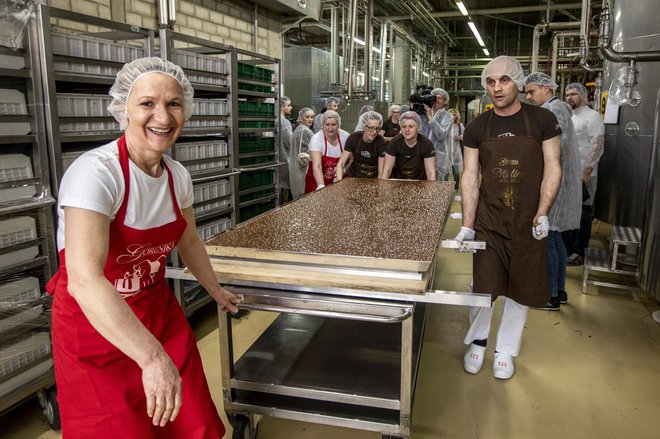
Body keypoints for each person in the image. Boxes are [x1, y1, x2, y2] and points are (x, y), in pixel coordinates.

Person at [45, 57, 240, 437]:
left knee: (193, 423)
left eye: (174, 104)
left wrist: (215, 290)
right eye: (147, 103)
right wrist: (151, 358)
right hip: (96, 329)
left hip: (158, 315)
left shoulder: (177, 175)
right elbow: (84, 281)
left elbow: (188, 239)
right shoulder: (96, 173)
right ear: (123, 109)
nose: (163, 117)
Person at [455, 56, 562, 380]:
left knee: (521, 287)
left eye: (504, 80)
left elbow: (553, 166)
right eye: (490, 82)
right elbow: (471, 176)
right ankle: (479, 339)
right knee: (483, 286)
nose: (496, 88)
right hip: (490, 219)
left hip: (528, 221)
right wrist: (467, 226)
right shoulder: (477, 127)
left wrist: (543, 213)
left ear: (518, 82)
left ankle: (505, 349)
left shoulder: (542, 121)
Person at [525, 72, 582, 310]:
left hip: (553, 181)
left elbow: (551, 148)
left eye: (531, 91)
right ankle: (559, 290)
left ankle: (550, 296)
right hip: (559, 180)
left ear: (546, 89)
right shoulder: (556, 108)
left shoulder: (552, 111)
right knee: (556, 237)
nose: (528, 97)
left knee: (546, 238)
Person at [563, 82, 605, 266]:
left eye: (573, 94)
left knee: (583, 212)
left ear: (582, 95)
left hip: (584, 173)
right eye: (567, 94)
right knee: (569, 212)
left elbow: (597, 146)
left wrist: (587, 172)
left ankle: (579, 251)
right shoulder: (569, 116)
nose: (569, 97)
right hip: (569, 173)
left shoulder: (592, 116)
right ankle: (568, 248)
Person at [380, 110, 436, 181]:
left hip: (420, 183)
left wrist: (430, 191)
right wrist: (383, 190)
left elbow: (431, 173)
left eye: (411, 126)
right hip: (398, 183)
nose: (407, 129)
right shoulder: (394, 142)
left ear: (418, 127)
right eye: (404, 127)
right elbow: (386, 171)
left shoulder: (426, 144)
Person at [305, 109, 350, 193]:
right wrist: (321, 186)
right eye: (327, 125)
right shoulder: (316, 139)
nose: (330, 128)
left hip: (338, 180)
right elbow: (317, 166)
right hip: (317, 180)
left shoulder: (346, 137)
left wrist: (344, 170)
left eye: (333, 124)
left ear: (339, 124)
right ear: (322, 125)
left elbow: (351, 160)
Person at [337, 111, 387, 180]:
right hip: (355, 178)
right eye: (371, 128)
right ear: (364, 126)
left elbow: (381, 171)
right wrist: (339, 181)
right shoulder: (353, 138)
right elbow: (341, 164)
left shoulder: (380, 141)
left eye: (377, 128)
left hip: (374, 179)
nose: (374, 132)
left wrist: (378, 186)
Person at [425, 87, 454, 181]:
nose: (437, 101)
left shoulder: (448, 117)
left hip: (439, 156)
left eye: (440, 98)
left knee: (438, 186)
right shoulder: (423, 113)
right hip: (422, 154)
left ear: (445, 101)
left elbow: (441, 135)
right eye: (435, 98)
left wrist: (430, 118)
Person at [289, 107, 314, 200]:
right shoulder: (305, 131)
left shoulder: (299, 129)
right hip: (304, 168)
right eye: (307, 117)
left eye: (312, 117)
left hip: (298, 168)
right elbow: (312, 151)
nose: (310, 119)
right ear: (301, 118)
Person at [279, 96, 293, 203]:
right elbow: (290, 142)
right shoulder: (284, 122)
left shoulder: (273, 119)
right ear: (282, 107)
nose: (291, 107)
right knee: (284, 191)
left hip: (276, 159)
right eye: (288, 105)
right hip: (284, 159)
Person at [447, 108, 464, 191]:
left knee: (456, 173)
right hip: (447, 153)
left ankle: (456, 188)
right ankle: (445, 189)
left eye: (454, 114)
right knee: (446, 172)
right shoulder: (445, 125)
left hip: (456, 152)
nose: (452, 116)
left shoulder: (459, 125)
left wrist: (460, 137)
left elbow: (465, 136)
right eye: (451, 114)